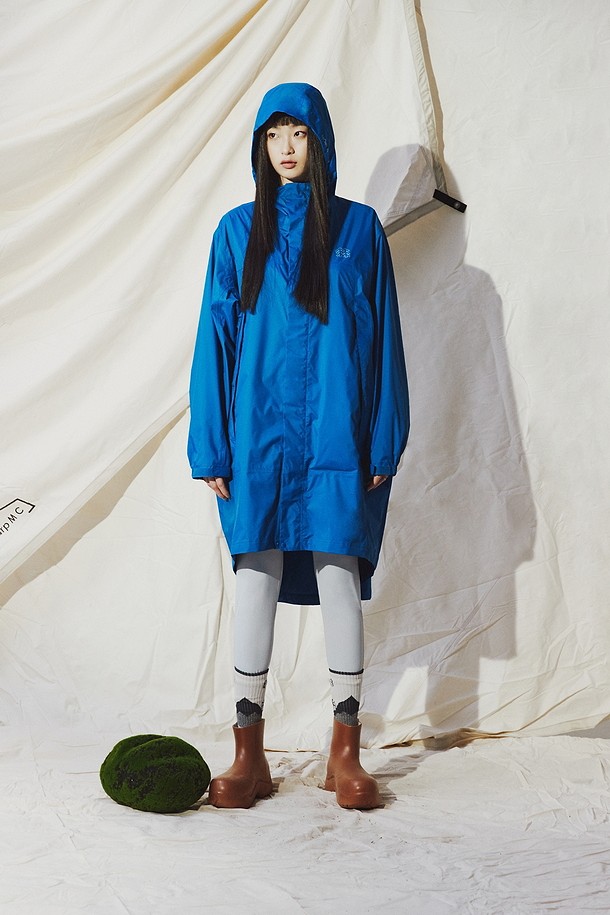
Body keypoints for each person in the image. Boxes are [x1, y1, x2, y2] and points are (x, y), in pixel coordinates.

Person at [188, 83, 409, 810]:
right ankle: (247, 751)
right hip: (259, 436)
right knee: (256, 572)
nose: (285, 147)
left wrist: (384, 437)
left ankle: (345, 751)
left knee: (339, 570)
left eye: (299, 133)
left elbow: (385, 339)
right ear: (261, 144)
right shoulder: (235, 232)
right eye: (273, 133)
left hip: (339, 433)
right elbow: (216, 340)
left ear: (321, 141)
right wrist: (211, 444)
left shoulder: (359, 229)